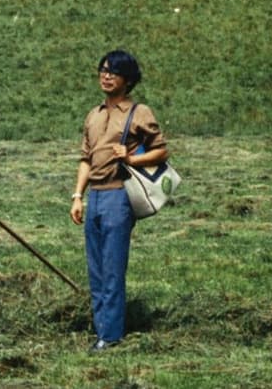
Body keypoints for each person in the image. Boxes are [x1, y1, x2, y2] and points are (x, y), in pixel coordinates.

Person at [69, 50, 169, 353]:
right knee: (95, 268)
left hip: (119, 196)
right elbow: (85, 159)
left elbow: (161, 151)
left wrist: (132, 157)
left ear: (127, 79)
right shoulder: (93, 114)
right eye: (103, 70)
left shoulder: (139, 112)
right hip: (95, 196)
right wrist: (77, 196)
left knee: (112, 267)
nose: (106, 75)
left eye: (113, 71)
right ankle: (102, 329)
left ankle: (110, 336)